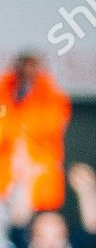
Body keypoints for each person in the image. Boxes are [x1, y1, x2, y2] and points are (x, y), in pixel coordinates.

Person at [0, 53, 71, 213]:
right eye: (23, 67)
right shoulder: (4, 95)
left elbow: (50, 127)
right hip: (6, 189)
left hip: (41, 189)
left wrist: (27, 101)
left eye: (33, 67)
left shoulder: (51, 97)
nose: (27, 72)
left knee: (41, 234)